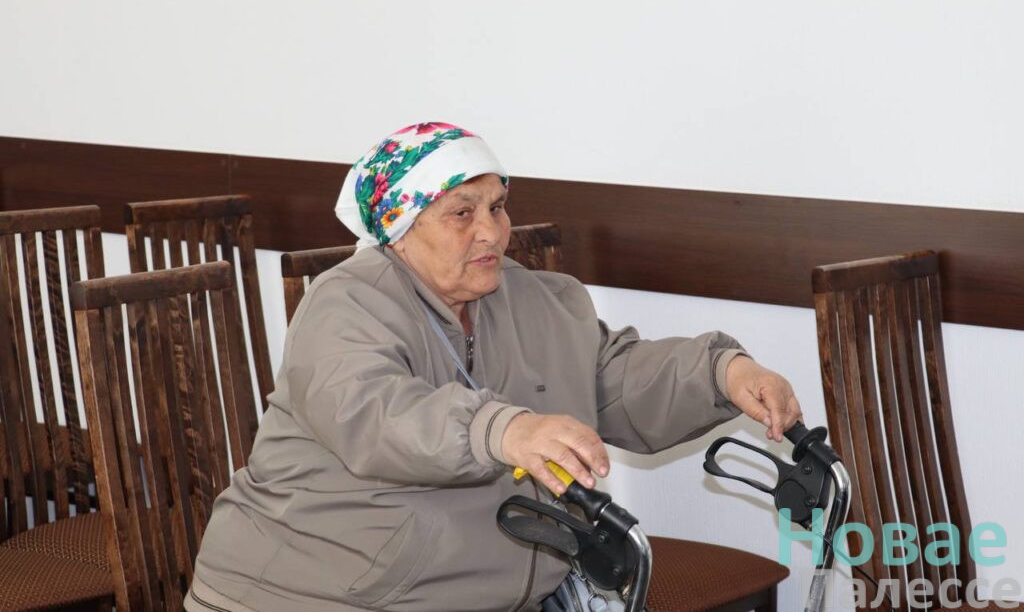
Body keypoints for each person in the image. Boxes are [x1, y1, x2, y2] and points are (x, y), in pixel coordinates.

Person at [187, 122, 803, 612]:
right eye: (462, 213)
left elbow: (612, 377)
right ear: (400, 226)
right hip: (311, 595)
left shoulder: (534, 298)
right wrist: (502, 429)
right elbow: (377, 414)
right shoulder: (346, 302)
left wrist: (720, 374)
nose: (492, 232)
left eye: (498, 207)